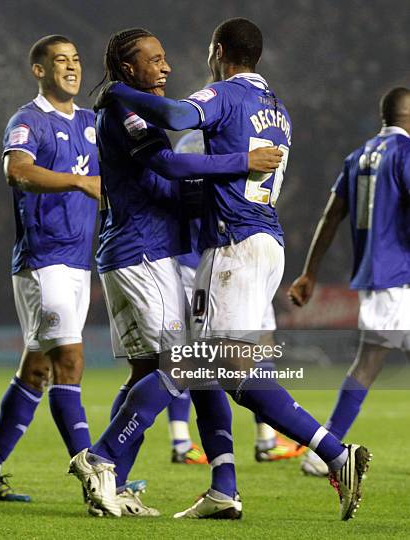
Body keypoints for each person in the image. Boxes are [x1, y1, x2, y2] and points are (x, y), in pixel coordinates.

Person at [79, 18, 372, 521]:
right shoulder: (278, 110)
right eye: (157, 58)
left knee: (195, 365)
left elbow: (176, 119)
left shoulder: (223, 95)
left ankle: (102, 457)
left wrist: (118, 94)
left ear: (218, 51)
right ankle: (227, 486)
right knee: (220, 371)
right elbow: (181, 171)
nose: (169, 66)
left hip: (231, 246)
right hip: (263, 243)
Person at [68, 27, 283, 518]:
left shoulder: (133, 107)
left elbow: (166, 180)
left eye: (166, 59)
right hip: (142, 255)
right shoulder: (125, 108)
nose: (166, 68)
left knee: (154, 371)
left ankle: (115, 484)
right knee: (182, 369)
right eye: (155, 60)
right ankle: (100, 456)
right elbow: (166, 164)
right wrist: (240, 162)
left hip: (133, 252)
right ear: (128, 68)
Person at [0, 35, 102, 504]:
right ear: (39, 70)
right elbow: (17, 171)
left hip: (79, 262)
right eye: (60, 61)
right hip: (43, 262)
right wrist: (80, 182)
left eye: (76, 60)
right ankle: (93, 475)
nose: (71, 67)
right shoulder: (28, 120)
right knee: (70, 361)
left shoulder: (91, 122)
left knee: (36, 368)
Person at [288, 86, 410, 476]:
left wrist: (310, 271)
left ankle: (323, 450)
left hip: (378, 275)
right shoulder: (405, 154)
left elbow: (331, 215)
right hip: (400, 275)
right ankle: (324, 452)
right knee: (368, 362)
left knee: (367, 363)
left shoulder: (358, 156)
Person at [175, 130, 306, 464]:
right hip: (211, 258)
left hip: (239, 257)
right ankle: (183, 442)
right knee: (197, 357)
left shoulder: (200, 144)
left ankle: (264, 439)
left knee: (253, 343)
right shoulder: (218, 146)